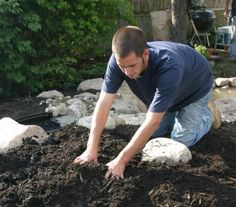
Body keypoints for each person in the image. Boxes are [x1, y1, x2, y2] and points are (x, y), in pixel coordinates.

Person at [74, 26, 220, 179]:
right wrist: (91, 148)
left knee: (181, 140)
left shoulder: (168, 65)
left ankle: (207, 116)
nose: (128, 73)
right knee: (155, 135)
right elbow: (104, 103)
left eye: (132, 66)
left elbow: (153, 121)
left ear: (145, 53)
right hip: (170, 94)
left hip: (195, 87)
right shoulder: (118, 61)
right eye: (122, 67)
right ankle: (177, 115)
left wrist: (122, 159)